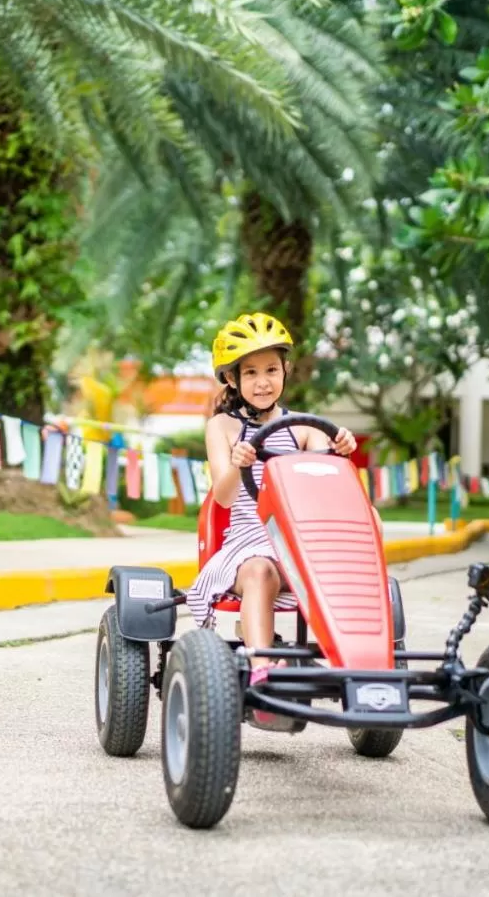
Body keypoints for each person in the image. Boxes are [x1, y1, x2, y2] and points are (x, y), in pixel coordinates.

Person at [185, 312, 357, 729]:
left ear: (284, 372)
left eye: (271, 370)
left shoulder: (300, 427)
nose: (263, 381)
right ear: (232, 379)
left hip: (299, 540)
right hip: (248, 539)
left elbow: (325, 462)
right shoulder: (222, 427)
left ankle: (360, 665)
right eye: (251, 372)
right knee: (261, 570)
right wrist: (236, 462)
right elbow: (223, 495)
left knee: (355, 555)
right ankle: (262, 669)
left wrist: (340, 445)